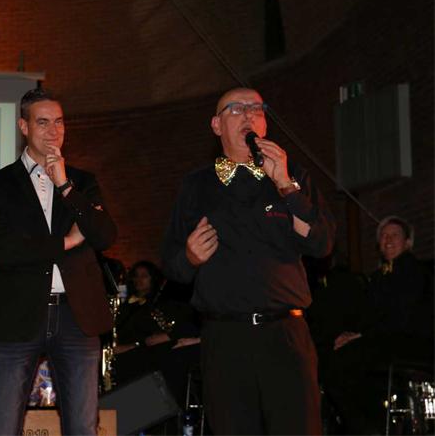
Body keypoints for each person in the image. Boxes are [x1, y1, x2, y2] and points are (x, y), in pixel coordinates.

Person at [162, 87, 335, 435]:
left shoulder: (292, 175)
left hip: (286, 334)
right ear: (216, 125)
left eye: (257, 109)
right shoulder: (196, 186)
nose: (249, 115)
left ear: (265, 124)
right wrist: (191, 257)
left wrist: (285, 184)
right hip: (225, 338)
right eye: (237, 109)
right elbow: (172, 265)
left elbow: (321, 244)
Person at [0, 87, 117, 435]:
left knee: (83, 426)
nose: (53, 131)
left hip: (77, 316)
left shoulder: (82, 182)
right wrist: (66, 242)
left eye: (59, 122)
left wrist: (65, 185)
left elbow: (103, 236)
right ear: (24, 127)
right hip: (18, 313)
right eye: (43, 122)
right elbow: (2, 250)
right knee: (2, 425)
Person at [319, 215, 433, 434]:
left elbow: (402, 317)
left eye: (394, 235)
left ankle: (367, 428)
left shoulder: (412, 270)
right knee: (336, 358)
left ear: (408, 242)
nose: (388, 240)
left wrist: (361, 336)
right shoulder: (379, 276)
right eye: (383, 236)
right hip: (385, 341)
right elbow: (368, 317)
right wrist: (350, 334)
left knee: (337, 365)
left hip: (410, 343)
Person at [113, 260, 201, 432]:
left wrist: (164, 337)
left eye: (144, 276)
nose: (138, 280)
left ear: (153, 279)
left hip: (155, 354)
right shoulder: (127, 306)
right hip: (136, 351)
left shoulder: (164, 303)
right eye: (136, 276)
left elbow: (184, 327)